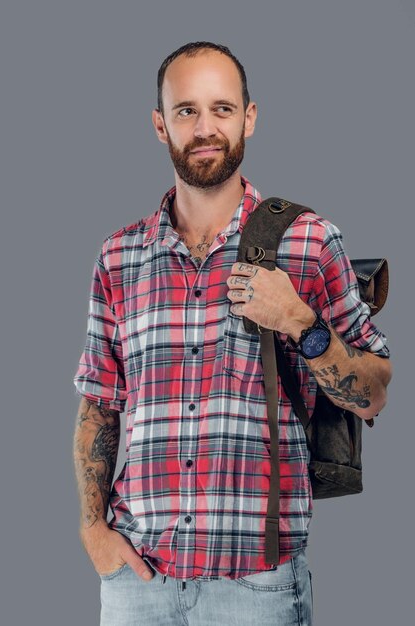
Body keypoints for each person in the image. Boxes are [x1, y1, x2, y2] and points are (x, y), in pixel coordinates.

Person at [73, 41, 392, 626]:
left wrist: (299, 321)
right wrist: (94, 529)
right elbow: (99, 405)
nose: (204, 127)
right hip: (138, 583)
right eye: (186, 110)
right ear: (159, 124)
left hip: (258, 590)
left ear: (249, 117)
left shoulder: (309, 241)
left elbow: (373, 391)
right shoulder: (118, 256)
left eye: (222, 108)